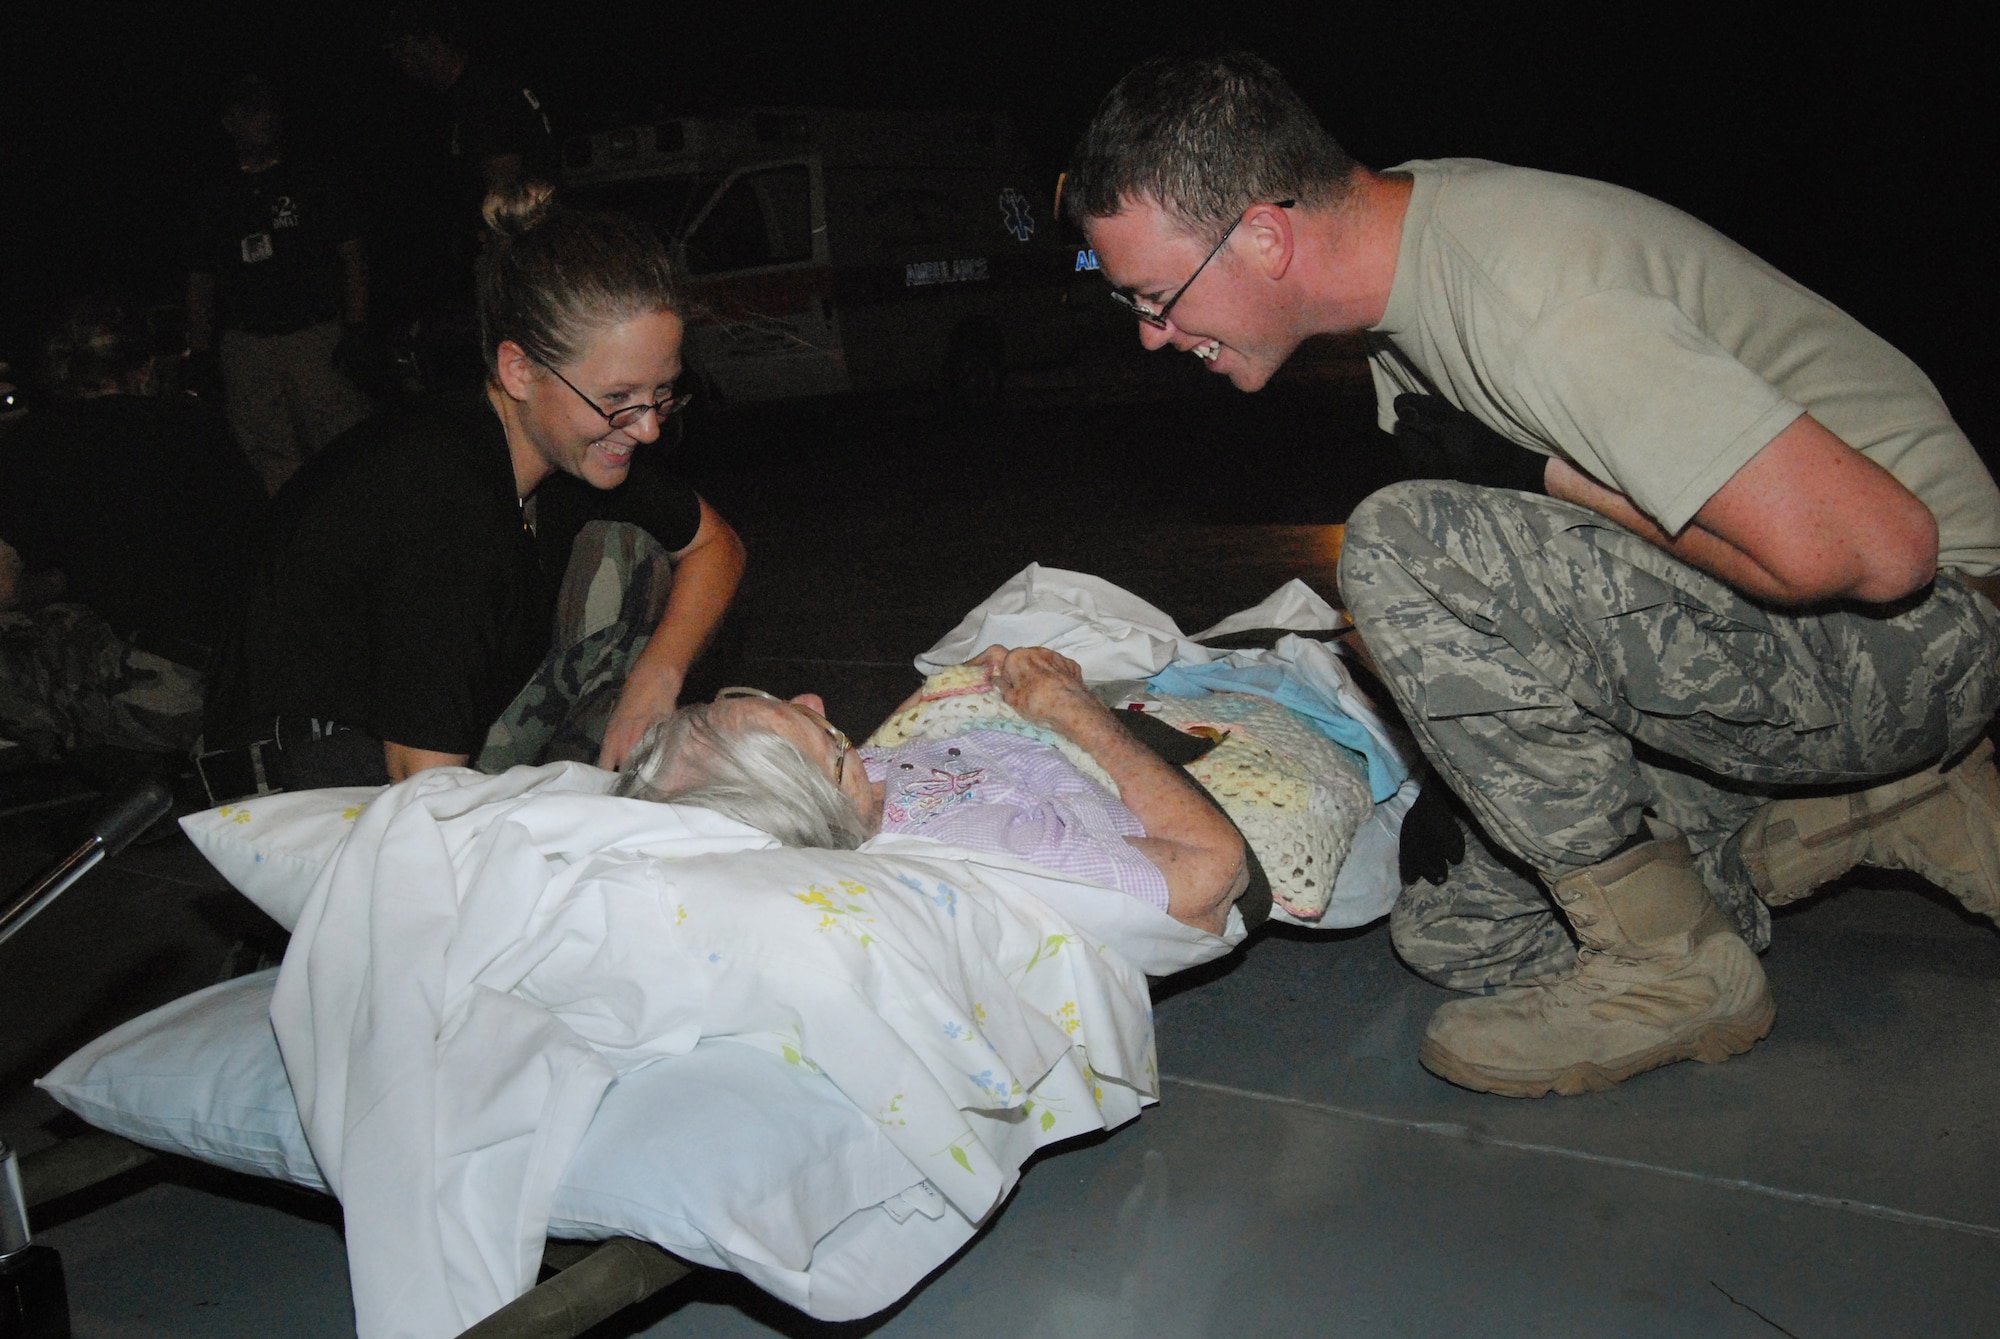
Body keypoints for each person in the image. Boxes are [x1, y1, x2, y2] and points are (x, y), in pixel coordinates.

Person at [1066, 53, 2000, 1096]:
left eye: (1154, 296)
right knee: (1455, 928)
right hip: (1789, 640)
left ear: (1263, 237)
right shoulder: (1395, 270)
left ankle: (1676, 969)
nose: (1151, 335)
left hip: (1931, 632)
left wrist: (1541, 477)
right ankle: (1876, 806)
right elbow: (1537, 590)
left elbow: (1880, 554)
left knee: (1395, 545)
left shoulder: (1531, 302)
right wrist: (1458, 754)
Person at [199, 182, 746, 796]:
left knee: (629, 552)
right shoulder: (449, 504)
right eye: (618, 398)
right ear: (520, 370)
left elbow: (715, 547)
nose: (646, 428)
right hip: (304, 788)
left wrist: (655, 681)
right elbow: (426, 801)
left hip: (406, 749)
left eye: (662, 393)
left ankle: (591, 784)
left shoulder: (554, 438)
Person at [617, 646, 1251, 935]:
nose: (814, 699)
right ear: (819, 810)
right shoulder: (989, 853)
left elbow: (885, 761)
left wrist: (955, 687)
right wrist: (1079, 713)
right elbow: (1213, 874)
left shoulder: (846, 805)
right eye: (828, 741)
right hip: (1137, 768)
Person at [0, 291, 267, 756]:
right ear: (143, 369)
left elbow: (5, 589)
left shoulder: (30, 444)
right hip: (245, 677)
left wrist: (61, 581)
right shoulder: (199, 424)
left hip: (160, 692)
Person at [184, 74, 374, 495]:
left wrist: (358, 325)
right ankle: (298, 542)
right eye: (251, 111)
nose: (264, 119)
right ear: (229, 122)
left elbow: (352, 253)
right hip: (248, 346)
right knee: (270, 458)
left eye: (268, 108)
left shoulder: (311, 178)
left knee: (344, 445)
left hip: (315, 337)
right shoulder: (216, 193)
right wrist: (200, 350)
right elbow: (201, 277)